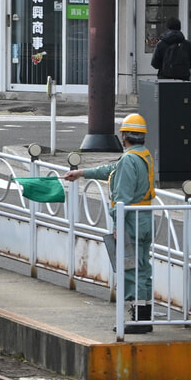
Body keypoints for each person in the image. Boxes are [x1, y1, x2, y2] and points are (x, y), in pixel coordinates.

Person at [63, 113, 155, 334]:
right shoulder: (143, 155)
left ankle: (137, 320)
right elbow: (111, 170)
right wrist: (82, 173)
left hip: (130, 221)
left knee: (131, 269)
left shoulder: (128, 160)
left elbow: (121, 198)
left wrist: (117, 226)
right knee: (143, 268)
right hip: (145, 218)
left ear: (124, 136)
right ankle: (145, 317)